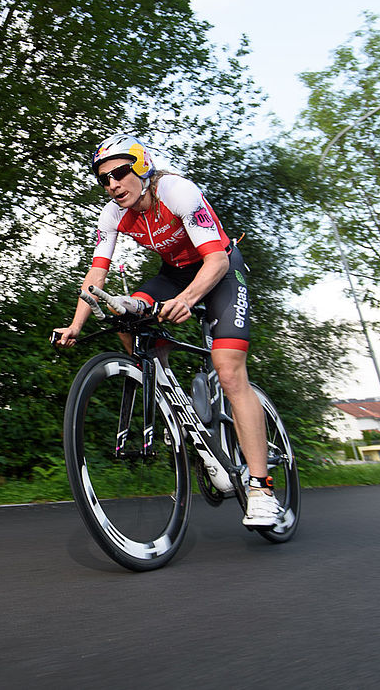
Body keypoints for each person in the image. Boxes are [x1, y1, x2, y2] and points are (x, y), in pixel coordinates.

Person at [51, 133, 281, 528]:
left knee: (228, 370)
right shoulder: (113, 214)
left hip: (221, 269)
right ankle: (172, 400)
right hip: (174, 274)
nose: (113, 184)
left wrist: (189, 300)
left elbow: (215, 262)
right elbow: (96, 275)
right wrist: (75, 324)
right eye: (104, 179)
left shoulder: (176, 191)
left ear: (142, 168)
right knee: (126, 320)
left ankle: (261, 488)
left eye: (120, 173)